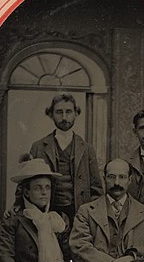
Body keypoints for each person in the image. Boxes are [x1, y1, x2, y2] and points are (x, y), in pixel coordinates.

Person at [28, 93, 103, 223]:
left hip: (78, 212)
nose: (64, 117)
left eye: (68, 112)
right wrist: (18, 207)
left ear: (76, 114)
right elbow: (26, 183)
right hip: (47, 210)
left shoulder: (86, 149)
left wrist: (92, 215)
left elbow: (96, 189)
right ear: (51, 115)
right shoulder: (38, 147)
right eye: (59, 112)